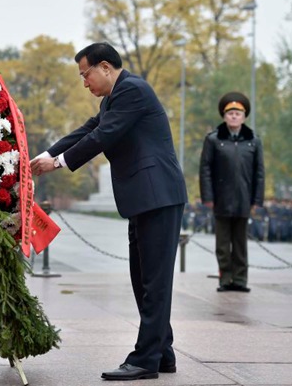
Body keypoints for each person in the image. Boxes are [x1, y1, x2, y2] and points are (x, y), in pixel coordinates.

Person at [30, 42, 187, 381]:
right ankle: (163, 352)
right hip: (145, 199)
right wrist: (45, 155)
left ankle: (145, 359)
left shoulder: (133, 90)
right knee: (143, 280)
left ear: (105, 67)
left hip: (158, 196)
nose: (84, 82)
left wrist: (57, 163)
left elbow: (104, 135)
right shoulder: (113, 99)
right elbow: (88, 129)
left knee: (154, 282)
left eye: (85, 74)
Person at [199, 92, 264, 293]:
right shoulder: (213, 140)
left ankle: (240, 280)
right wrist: (208, 197)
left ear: (244, 117)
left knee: (240, 244)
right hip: (221, 199)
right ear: (224, 117)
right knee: (222, 244)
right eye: (231, 113)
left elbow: (259, 173)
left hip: (244, 199)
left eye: (238, 113)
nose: (234, 116)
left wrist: (257, 200)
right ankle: (225, 279)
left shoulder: (253, 141)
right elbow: (205, 170)